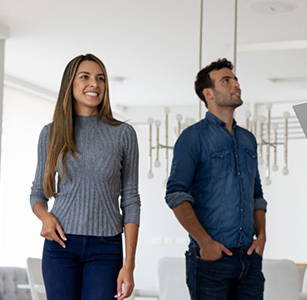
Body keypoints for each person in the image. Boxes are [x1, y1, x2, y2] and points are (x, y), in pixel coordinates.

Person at [29, 54, 140, 300]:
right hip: (61, 247)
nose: (95, 84)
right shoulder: (51, 133)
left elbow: (131, 199)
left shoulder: (123, 134)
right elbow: (38, 192)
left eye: (101, 79)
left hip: (106, 247)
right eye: (85, 77)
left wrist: (129, 263)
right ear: (70, 84)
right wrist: (45, 217)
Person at [165, 58, 267, 300]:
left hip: (249, 262)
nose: (236, 84)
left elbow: (257, 194)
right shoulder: (192, 138)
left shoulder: (248, 140)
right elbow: (176, 194)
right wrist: (205, 243)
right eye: (226, 80)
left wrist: (261, 236)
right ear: (208, 93)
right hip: (210, 262)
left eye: (235, 79)